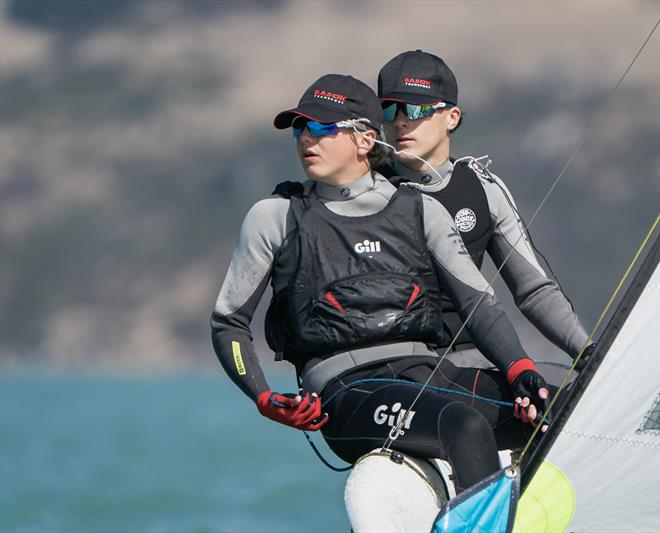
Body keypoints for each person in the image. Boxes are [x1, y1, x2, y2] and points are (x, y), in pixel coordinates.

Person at [210, 74, 551, 494]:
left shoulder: (420, 210)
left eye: (321, 128)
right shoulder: (274, 217)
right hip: (344, 392)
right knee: (462, 425)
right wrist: (261, 396)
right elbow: (228, 323)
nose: (305, 139)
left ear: (365, 140)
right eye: (299, 128)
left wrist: (521, 371)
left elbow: (479, 305)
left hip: (430, 374)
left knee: (558, 406)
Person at [375, 50, 593, 367]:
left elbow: (534, 292)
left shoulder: (483, 188)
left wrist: (589, 355)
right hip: (395, 363)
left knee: (562, 394)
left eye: (415, 108)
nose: (400, 120)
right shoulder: (368, 188)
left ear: (452, 117)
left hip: (470, 357)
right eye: (389, 109)